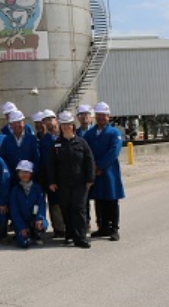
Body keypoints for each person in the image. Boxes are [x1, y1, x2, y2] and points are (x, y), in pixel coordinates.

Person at [48, 111, 96, 249]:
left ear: (73, 126)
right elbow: (51, 164)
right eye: (63, 125)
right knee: (66, 209)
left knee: (79, 209)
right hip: (63, 184)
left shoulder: (81, 143)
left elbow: (89, 161)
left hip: (79, 183)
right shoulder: (56, 145)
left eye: (68, 125)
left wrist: (90, 179)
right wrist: (52, 181)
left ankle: (80, 237)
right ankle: (69, 235)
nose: (66, 127)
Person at [86, 102, 125, 242]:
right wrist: (92, 168)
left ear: (109, 116)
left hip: (109, 172)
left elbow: (114, 151)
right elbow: (86, 151)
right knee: (99, 200)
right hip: (95, 173)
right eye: (99, 115)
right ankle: (102, 226)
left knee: (112, 200)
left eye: (104, 115)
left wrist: (100, 166)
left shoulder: (114, 133)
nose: (101, 118)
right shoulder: (89, 134)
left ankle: (114, 228)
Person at [38, 110, 65, 239]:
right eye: (46, 120)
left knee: (67, 201)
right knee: (54, 202)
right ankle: (59, 229)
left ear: (56, 120)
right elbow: (44, 161)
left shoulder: (65, 136)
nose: (49, 122)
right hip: (51, 176)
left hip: (66, 175)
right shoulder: (44, 141)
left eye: (51, 119)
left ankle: (70, 226)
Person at [9, 160, 48, 248]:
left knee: (42, 225)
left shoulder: (37, 188)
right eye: (21, 172)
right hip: (21, 221)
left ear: (31, 174)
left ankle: (36, 234)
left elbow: (42, 205)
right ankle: (23, 233)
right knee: (24, 243)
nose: (24, 175)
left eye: (26, 172)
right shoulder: (15, 190)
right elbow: (14, 212)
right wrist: (21, 227)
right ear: (18, 174)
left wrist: (39, 218)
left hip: (33, 219)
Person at [0, 110, 41, 185]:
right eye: (14, 123)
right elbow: (4, 160)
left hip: (30, 180)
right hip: (13, 181)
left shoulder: (32, 139)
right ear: (10, 125)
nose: (17, 125)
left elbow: (36, 159)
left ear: (24, 123)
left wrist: (29, 174)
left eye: (19, 122)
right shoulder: (6, 140)